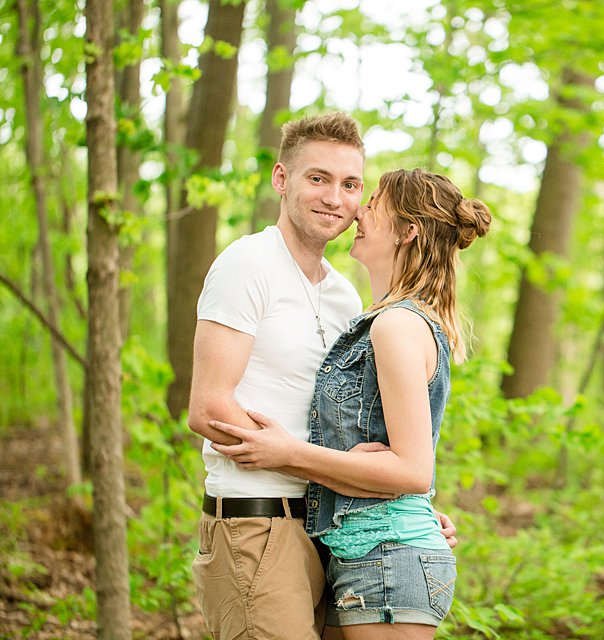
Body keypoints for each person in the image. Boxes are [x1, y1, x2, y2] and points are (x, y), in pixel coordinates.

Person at [186, 114, 457, 640]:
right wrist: (287, 453)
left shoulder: (346, 297)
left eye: (350, 184)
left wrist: (403, 509)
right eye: (318, 178)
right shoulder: (248, 264)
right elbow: (209, 408)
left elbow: (367, 432)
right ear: (282, 179)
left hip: (335, 530)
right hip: (256, 521)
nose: (335, 197)